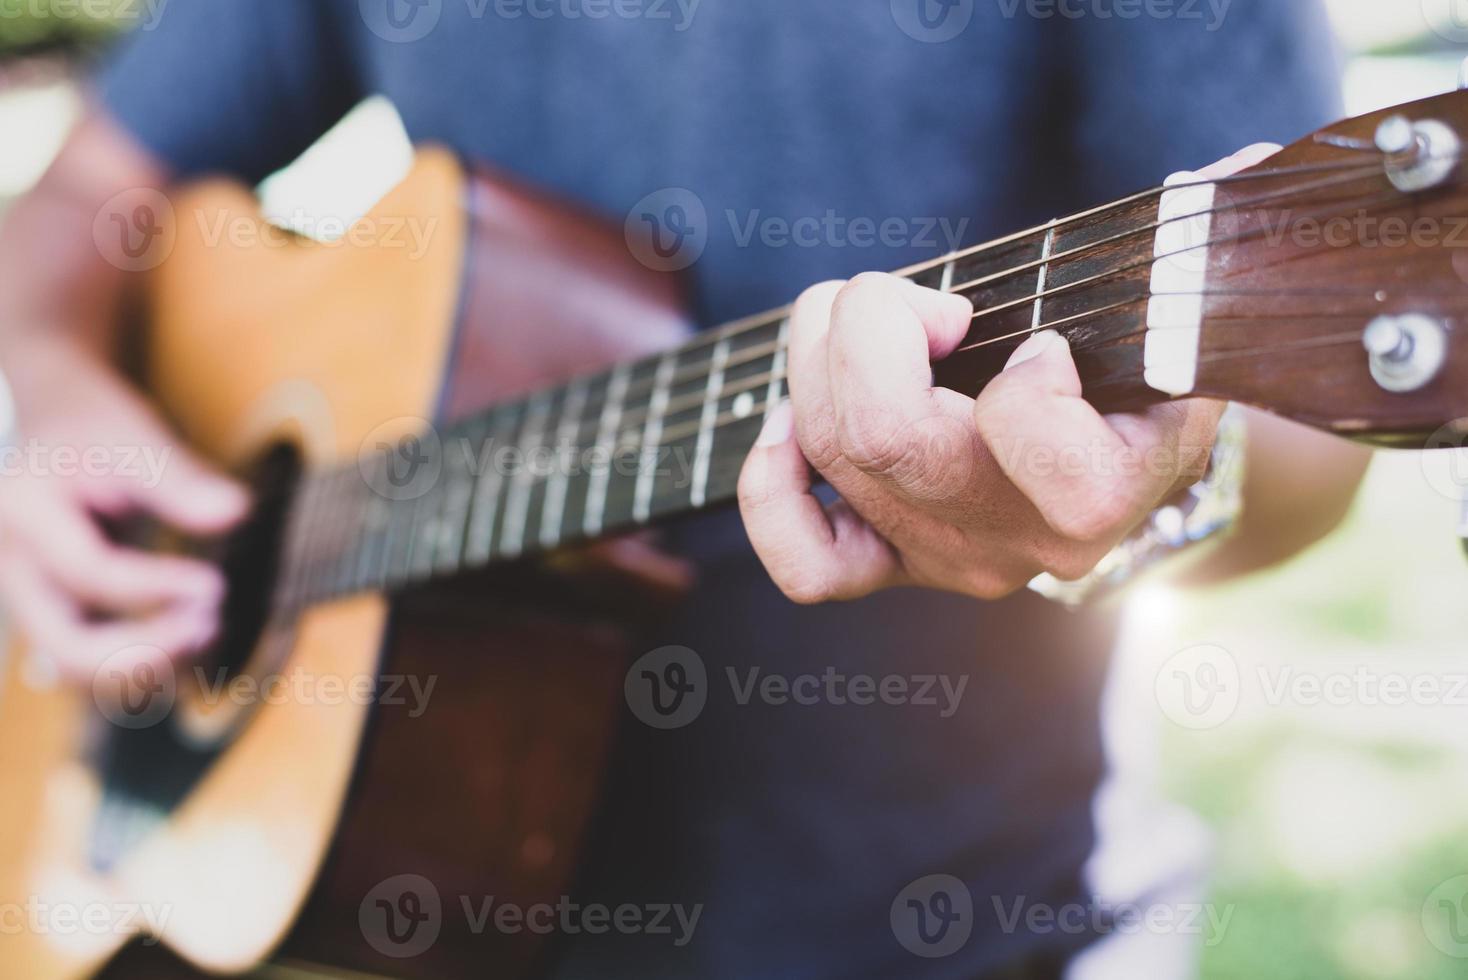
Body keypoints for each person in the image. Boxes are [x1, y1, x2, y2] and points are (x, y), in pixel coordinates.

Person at [0, 2, 1370, 976]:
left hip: (950, 914)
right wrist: (58, 402)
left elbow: (1317, 389)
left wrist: (1161, 490)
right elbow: (81, 201)